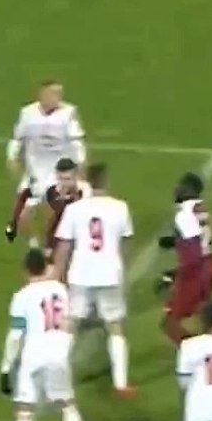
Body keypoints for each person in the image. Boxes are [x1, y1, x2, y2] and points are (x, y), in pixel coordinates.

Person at [2, 248, 92, 421]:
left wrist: (6, 367)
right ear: (45, 267)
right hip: (58, 355)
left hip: (33, 356)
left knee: (25, 410)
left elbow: (15, 336)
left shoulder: (22, 296)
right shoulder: (60, 289)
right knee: (67, 403)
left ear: (25, 271)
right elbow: (70, 322)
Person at [52, 162, 135, 397]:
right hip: (109, 273)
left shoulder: (74, 209)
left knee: (71, 324)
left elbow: (64, 245)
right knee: (115, 326)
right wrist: (123, 268)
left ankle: (56, 375)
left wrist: (57, 275)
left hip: (81, 273)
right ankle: (121, 383)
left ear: (86, 181)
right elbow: (126, 242)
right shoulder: (120, 208)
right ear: (106, 181)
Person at [5, 80, 88, 246]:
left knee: (53, 212)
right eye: (54, 93)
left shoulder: (68, 113)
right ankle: (34, 244)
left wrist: (81, 164)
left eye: (59, 94)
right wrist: (11, 157)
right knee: (23, 215)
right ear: (42, 95)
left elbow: (76, 142)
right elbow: (17, 138)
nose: (58, 98)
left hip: (59, 172)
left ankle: (51, 244)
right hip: (34, 173)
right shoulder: (27, 113)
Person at [159, 172, 212, 344]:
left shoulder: (183, 214)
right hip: (211, 265)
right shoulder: (201, 208)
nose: (177, 189)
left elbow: (193, 252)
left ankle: (194, 351)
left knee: (169, 322)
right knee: (207, 317)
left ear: (190, 190)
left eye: (182, 186)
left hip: (196, 271)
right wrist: (176, 241)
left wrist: (176, 275)